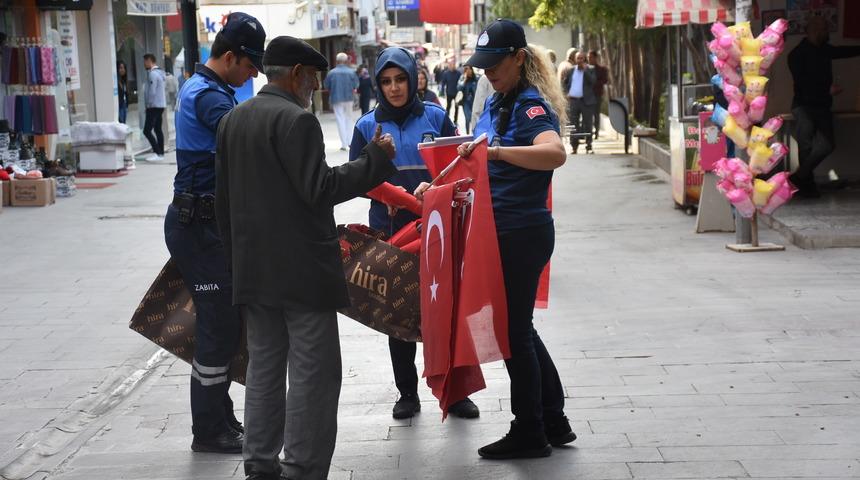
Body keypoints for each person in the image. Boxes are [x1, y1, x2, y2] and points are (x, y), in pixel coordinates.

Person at [215, 35, 398, 480]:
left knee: (263, 369)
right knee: (314, 375)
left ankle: (258, 463)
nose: (315, 87)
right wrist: (374, 160)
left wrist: (236, 262)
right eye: (313, 78)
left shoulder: (233, 120)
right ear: (297, 75)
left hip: (254, 272)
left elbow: (222, 203)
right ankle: (301, 467)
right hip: (300, 275)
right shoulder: (297, 121)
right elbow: (320, 189)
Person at [416, 18, 575, 460]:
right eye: (482, 66)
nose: (487, 73)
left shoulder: (528, 106)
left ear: (518, 59)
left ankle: (530, 430)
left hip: (519, 232)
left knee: (512, 334)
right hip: (497, 230)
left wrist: (500, 151)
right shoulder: (495, 103)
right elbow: (478, 168)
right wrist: (437, 187)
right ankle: (553, 420)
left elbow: (554, 153)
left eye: (495, 65)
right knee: (517, 329)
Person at [349, 46, 480, 421]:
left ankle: (456, 393)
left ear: (412, 78)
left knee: (447, 311)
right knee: (398, 312)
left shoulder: (437, 118)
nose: (394, 88)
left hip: (436, 229)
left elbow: (459, 167)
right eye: (386, 81)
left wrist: (430, 187)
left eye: (400, 79)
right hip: (390, 231)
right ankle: (406, 392)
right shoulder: (366, 126)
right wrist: (389, 193)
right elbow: (356, 178)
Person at [164, 12, 265, 455]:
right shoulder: (208, 96)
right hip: (198, 226)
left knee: (224, 324)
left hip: (207, 224)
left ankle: (220, 417)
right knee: (217, 324)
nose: (255, 72)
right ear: (229, 56)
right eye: (250, 64)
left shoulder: (215, 88)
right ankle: (208, 429)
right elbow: (246, 138)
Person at [788, 15, 860, 198]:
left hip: (821, 106)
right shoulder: (796, 55)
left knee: (827, 145)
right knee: (805, 147)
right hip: (803, 106)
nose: (828, 33)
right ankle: (807, 187)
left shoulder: (824, 50)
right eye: (825, 29)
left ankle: (798, 178)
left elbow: (842, 51)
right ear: (815, 31)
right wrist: (827, 89)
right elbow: (802, 83)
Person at [561, 51, 596, 154]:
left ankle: (589, 146)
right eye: (578, 58)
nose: (580, 60)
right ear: (575, 60)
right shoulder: (571, 70)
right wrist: (566, 93)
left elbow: (593, 81)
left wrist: (585, 71)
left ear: (585, 59)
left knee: (588, 124)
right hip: (574, 101)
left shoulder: (590, 69)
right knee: (573, 124)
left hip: (586, 102)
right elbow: (564, 83)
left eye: (582, 58)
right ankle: (574, 147)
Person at [323, 52, 359, 150]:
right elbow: (356, 85)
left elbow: (326, 85)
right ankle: (350, 142)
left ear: (337, 61)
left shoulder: (331, 73)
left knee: (340, 119)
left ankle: (344, 144)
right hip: (349, 98)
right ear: (346, 61)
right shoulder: (351, 72)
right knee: (349, 119)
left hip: (336, 98)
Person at [143, 53, 167, 160]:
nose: (144, 64)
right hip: (161, 105)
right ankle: (160, 153)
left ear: (149, 61)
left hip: (154, 106)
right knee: (157, 129)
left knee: (146, 130)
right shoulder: (160, 73)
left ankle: (157, 152)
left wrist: (148, 104)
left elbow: (152, 91)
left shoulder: (152, 74)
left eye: (145, 61)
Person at [588, 50, 609, 139]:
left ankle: (596, 132)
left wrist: (595, 82)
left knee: (596, 114)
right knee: (588, 115)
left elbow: (605, 80)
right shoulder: (586, 69)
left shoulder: (602, 69)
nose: (589, 59)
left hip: (597, 94)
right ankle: (588, 132)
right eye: (588, 57)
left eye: (591, 57)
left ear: (595, 58)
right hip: (587, 96)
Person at [458, 64, 480, 134]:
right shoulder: (462, 78)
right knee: (468, 118)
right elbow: (459, 88)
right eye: (465, 69)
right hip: (465, 102)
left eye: (468, 69)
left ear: (471, 69)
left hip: (474, 102)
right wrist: (464, 80)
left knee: (475, 118)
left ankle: (475, 133)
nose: (467, 71)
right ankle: (467, 134)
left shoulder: (476, 78)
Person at [439, 59, 462, 123]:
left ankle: (455, 120)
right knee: (448, 107)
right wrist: (442, 91)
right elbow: (443, 82)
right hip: (449, 92)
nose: (452, 66)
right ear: (449, 66)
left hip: (456, 93)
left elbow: (461, 82)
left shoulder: (458, 73)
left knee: (456, 107)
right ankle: (447, 120)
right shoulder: (446, 73)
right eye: (451, 65)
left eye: (453, 65)